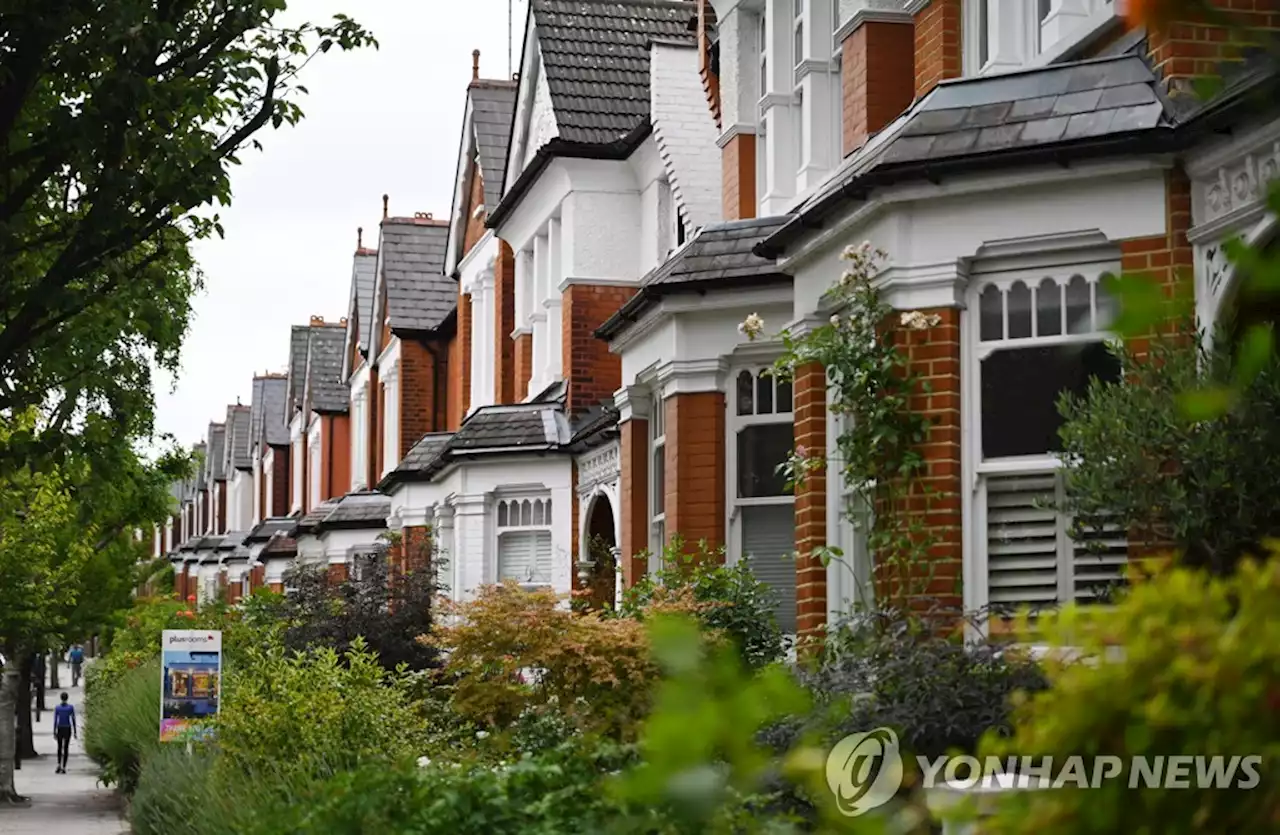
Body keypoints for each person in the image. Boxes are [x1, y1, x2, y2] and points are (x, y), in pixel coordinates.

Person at [53, 692, 76, 774]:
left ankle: (59, 764)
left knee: (59, 747)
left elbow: (55, 720)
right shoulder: (70, 708)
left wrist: (54, 731)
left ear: (61, 698)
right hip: (67, 728)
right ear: (67, 698)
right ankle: (64, 767)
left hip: (60, 727)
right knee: (66, 748)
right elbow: (73, 719)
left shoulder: (57, 708)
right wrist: (75, 731)